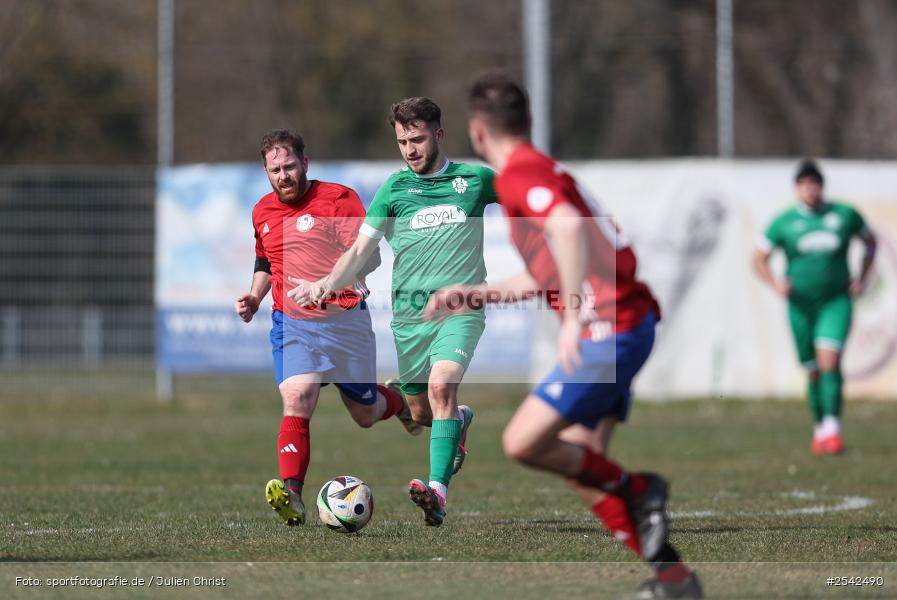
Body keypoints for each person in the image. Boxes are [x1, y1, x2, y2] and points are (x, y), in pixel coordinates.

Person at [424, 72, 702, 599]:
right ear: (528, 122)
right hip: (625, 324)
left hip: (609, 329)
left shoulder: (520, 174)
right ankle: (674, 580)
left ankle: (643, 490)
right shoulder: (542, 170)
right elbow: (547, 272)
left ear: (477, 133)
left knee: (522, 441)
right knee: (580, 463)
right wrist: (473, 293)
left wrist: (573, 316)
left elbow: (569, 226)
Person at [288, 98, 496, 526]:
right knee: (420, 413)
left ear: (438, 134)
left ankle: (437, 491)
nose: (410, 149)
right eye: (402, 141)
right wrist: (328, 284)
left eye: (417, 139)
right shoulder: (394, 189)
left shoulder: (474, 179)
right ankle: (457, 422)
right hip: (409, 320)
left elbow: (531, 196)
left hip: (460, 310)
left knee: (441, 388)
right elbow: (361, 249)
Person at [235, 129, 420, 527]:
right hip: (294, 323)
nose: (283, 175)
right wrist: (254, 296)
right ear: (266, 172)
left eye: (289, 166)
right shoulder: (263, 211)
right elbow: (265, 260)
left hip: (344, 322)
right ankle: (293, 495)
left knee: (366, 413)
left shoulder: (337, 199)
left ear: (305, 163)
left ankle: (401, 401)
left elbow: (365, 252)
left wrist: (353, 277)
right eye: (274, 170)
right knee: (298, 395)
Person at [754, 159, 877, 455]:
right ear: (797, 189)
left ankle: (833, 428)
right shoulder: (784, 222)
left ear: (822, 187)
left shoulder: (844, 215)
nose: (810, 190)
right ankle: (820, 427)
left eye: (815, 184)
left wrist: (862, 277)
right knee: (811, 370)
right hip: (800, 306)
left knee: (829, 363)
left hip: (836, 301)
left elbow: (870, 243)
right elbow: (758, 259)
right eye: (805, 185)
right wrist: (775, 283)